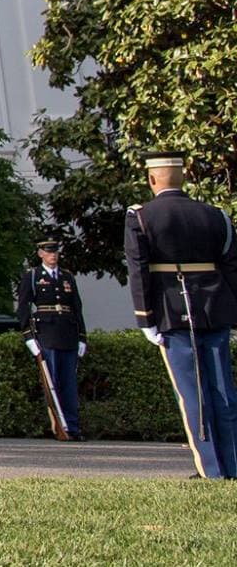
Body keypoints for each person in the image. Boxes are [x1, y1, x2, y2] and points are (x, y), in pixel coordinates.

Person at [124, 150, 237, 479]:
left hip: (173, 312)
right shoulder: (216, 215)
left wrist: (145, 318)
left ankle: (212, 470)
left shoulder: (141, 216)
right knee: (223, 390)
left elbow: (139, 271)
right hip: (214, 309)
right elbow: (231, 267)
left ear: (151, 179)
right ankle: (232, 465)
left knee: (193, 392)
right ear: (183, 177)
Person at [15, 237, 87, 441]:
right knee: (52, 383)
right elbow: (23, 308)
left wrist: (82, 337)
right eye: (48, 252)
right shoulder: (33, 276)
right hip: (46, 334)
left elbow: (77, 308)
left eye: (55, 251)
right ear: (40, 254)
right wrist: (28, 336)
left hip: (68, 334)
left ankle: (73, 427)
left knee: (69, 384)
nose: (53, 255)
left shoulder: (66, 277)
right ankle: (59, 426)